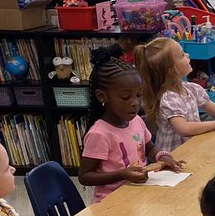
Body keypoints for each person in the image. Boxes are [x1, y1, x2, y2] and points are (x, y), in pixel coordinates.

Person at [78, 46, 181, 202]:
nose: (135, 103)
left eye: (139, 95)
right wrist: (122, 174)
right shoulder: (99, 134)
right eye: (126, 97)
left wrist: (163, 157)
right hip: (111, 202)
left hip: (138, 195)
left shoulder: (136, 121)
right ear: (102, 96)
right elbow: (85, 176)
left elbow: (149, 148)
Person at [136, 37, 215, 153]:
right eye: (182, 55)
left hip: (192, 148)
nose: (187, 55)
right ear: (171, 69)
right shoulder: (169, 98)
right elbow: (183, 128)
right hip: (174, 155)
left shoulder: (191, 89)